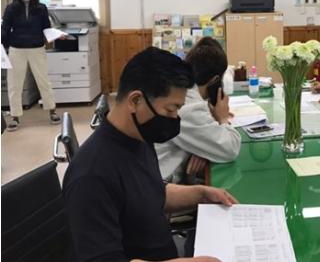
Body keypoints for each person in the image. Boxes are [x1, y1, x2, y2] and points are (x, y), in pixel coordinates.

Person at [63, 47, 237, 261]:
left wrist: (202, 194)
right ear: (135, 101)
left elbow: (150, 192)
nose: (175, 118)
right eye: (170, 109)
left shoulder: (139, 137)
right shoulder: (91, 175)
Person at [156, 37, 241, 184]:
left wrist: (204, 150)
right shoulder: (189, 108)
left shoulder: (181, 91)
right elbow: (230, 149)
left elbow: (201, 136)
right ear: (215, 80)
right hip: (162, 186)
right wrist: (223, 119)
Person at [1, 0, 61, 130]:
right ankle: (15, 117)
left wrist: (58, 35)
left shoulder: (41, 8)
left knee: (43, 81)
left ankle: (52, 111)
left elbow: (46, 28)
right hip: (17, 49)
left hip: (36, 48)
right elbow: (5, 29)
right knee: (15, 84)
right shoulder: (11, 9)